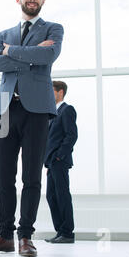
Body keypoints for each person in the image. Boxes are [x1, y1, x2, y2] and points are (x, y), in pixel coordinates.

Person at [0, 0, 64, 257]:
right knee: (4, 177)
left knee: (31, 177)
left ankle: (25, 235)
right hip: (5, 109)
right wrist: (30, 54)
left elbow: (47, 57)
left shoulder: (53, 28)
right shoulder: (4, 33)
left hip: (37, 109)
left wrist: (12, 53)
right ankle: (4, 235)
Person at [44, 81, 78, 244]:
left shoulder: (67, 110)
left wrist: (59, 156)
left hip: (60, 161)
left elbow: (71, 135)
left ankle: (67, 233)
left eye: (52, 91)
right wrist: (49, 160)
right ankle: (60, 231)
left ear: (60, 92)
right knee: (51, 196)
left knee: (62, 195)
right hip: (51, 162)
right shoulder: (53, 113)